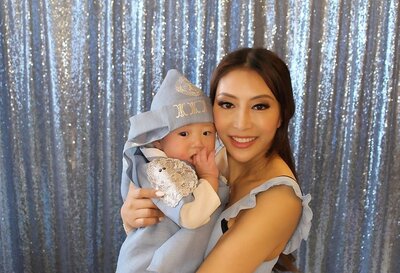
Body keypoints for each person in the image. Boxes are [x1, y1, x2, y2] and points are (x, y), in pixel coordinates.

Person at [120, 48, 313, 273]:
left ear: (282, 114)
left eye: (259, 106)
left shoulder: (278, 200)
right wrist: (135, 219)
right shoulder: (208, 156)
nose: (241, 123)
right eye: (227, 104)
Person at [116, 69, 229, 273]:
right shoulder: (160, 169)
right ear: (159, 141)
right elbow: (191, 215)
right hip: (147, 265)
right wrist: (209, 178)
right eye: (184, 133)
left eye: (207, 132)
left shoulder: (201, 164)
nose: (198, 143)